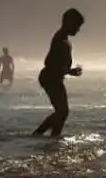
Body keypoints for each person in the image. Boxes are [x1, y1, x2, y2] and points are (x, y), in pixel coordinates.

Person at [33, 9, 84, 138]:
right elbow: (48, 62)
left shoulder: (65, 39)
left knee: (62, 112)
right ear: (68, 23)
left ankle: (54, 137)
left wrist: (69, 70)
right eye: (77, 26)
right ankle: (38, 134)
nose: (78, 30)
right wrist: (69, 71)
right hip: (50, 77)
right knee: (62, 111)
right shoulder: (60, 39)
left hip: (54, 77)